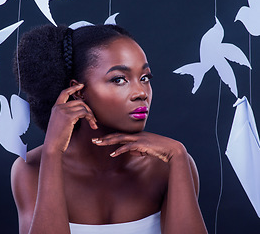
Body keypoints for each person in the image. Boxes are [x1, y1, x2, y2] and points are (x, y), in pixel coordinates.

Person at [11, 24, 208, 234]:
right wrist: (52, 152)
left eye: (145, 78)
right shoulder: (30, 169)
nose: (141, 93)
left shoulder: (170, 164)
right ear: (77, 91)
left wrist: (178, 154)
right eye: (119, 79)